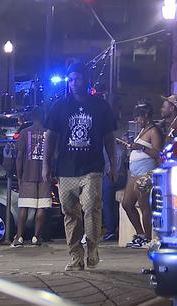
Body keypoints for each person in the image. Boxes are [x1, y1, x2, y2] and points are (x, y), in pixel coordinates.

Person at [42, 62, 117, 271]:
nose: (74, 83)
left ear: (86, 80)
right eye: (71, 79)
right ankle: (76, 256)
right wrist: (46, 165)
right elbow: (50, 137)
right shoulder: (59, 106)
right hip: (65, 169)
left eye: (78, 79)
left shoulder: (100, 106)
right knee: (70, 213)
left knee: (92, 206)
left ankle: (92, 247)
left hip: (92, 167)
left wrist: (113, 164)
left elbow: (109, 138)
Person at [122, 102, 162, 248]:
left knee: (145, 206)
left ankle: (148, 237)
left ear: (145, 116)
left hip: (146, 173)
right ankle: (140, 234)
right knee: (127, 204)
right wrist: (131, 145)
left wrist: (141, 147)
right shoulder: (143, 130)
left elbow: (158, 154)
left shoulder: (154, 131)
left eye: (138, 118)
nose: (136, 121)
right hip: (134, 174)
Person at [11, 107, 50, 247]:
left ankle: (19, 237)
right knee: (41, 208)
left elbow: (19, 156)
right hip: (45, 176)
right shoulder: (48, 133)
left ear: (32, 117)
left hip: (27, 175)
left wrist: (19, 175)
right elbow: (53, 156)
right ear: (44, 116)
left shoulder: (24, 133)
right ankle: (36, 237)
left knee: (24, 207)